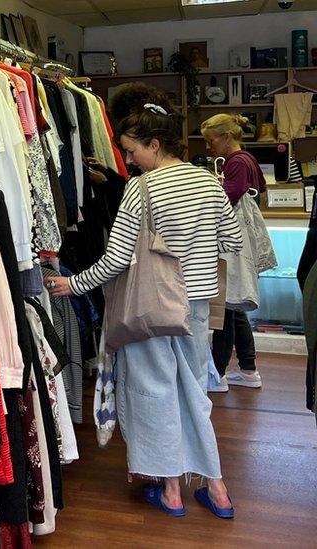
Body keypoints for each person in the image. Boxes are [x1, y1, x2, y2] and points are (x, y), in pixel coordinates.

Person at [45, 98, 242, 519]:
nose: (128, 160)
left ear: (155, 144)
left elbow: (117, 259)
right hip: (197, 307)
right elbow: (234, 242)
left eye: (132, 151)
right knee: (194, 391)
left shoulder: (142, 187)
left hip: (153, 308)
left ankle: (171, 490)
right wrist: (195, 249)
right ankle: (218, 489)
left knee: (156, 392)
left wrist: (73, 284)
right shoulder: (208, 182)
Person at [201, 113, 267, 391]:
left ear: (226, 137)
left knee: (226, 306)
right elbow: (260, 189)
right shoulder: (248, 159)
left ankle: (217, 373)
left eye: (211, 140)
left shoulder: (236, 162)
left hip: (232, 243)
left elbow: (228, 198)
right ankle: (248, 369)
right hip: (243, 241)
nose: (208, 146)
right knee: (236, 307)